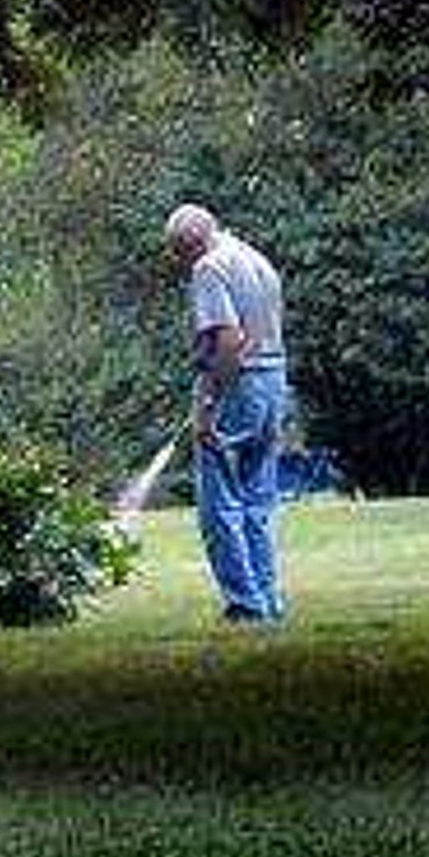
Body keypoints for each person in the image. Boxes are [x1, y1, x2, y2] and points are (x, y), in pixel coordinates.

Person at [164, 201, 290, 623]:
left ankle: (246, 605)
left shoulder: (209, 268)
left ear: (188, 246)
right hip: (274, 381)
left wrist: (207, 404)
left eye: (177, 254)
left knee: (219, 504)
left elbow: (230, 342)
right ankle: (269, 600)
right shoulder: (254, 257)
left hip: (240, 384)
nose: (179, 265)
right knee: (258, 500)